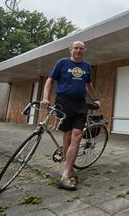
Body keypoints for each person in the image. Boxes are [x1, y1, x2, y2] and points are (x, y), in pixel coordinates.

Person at [41, 41, 99, 190]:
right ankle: (70, 168)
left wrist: (95, 98)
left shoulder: (86, 66)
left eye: (81, 48)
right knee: (67, 137)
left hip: (80, 104)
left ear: (84, 50)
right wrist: (46, 98)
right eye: (76, 48)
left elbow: (88, 84)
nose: (78, 50)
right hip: (63, 102)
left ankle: (66, 174)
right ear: (70, 50)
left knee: (77, 135)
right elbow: (49, 81)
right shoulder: (62, 63)